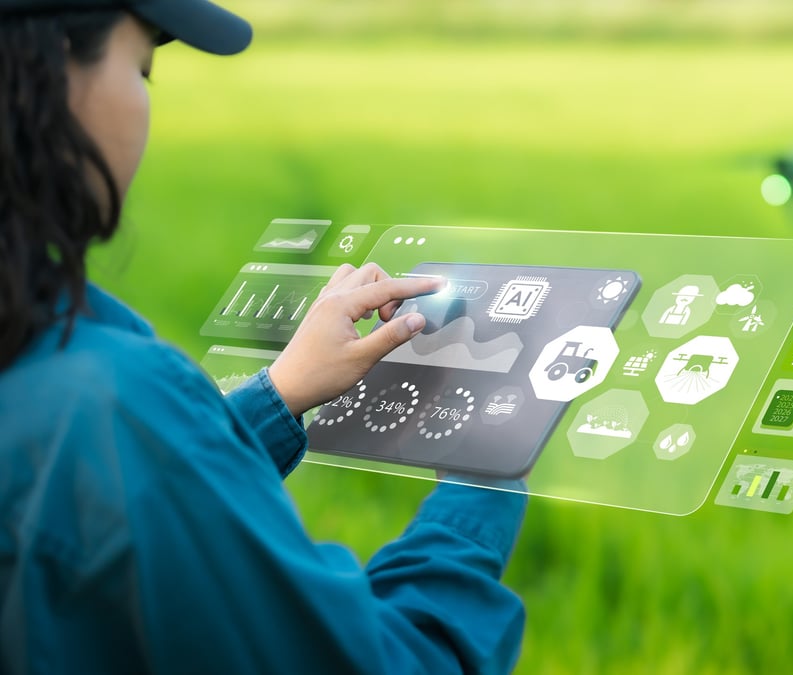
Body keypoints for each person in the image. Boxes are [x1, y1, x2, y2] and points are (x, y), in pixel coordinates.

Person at [0, 1, 528, 673]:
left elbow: (97, 504)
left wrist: (276, 396)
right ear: (46, 80)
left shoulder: (41, 363)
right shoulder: (113, 404)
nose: (144, 105)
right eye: (141, 69)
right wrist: (481, 487)